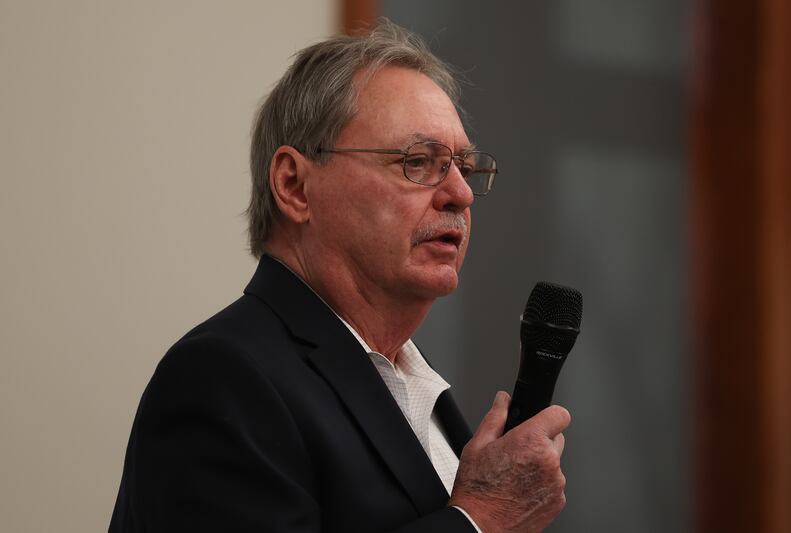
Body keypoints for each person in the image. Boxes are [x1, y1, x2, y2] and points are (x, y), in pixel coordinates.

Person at [109, 19, 570, 533]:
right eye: (418, 161)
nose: (460, 194)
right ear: (295, 186)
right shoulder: (223, 377)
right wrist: (480, 517)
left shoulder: (408, 381)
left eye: (464, 166)